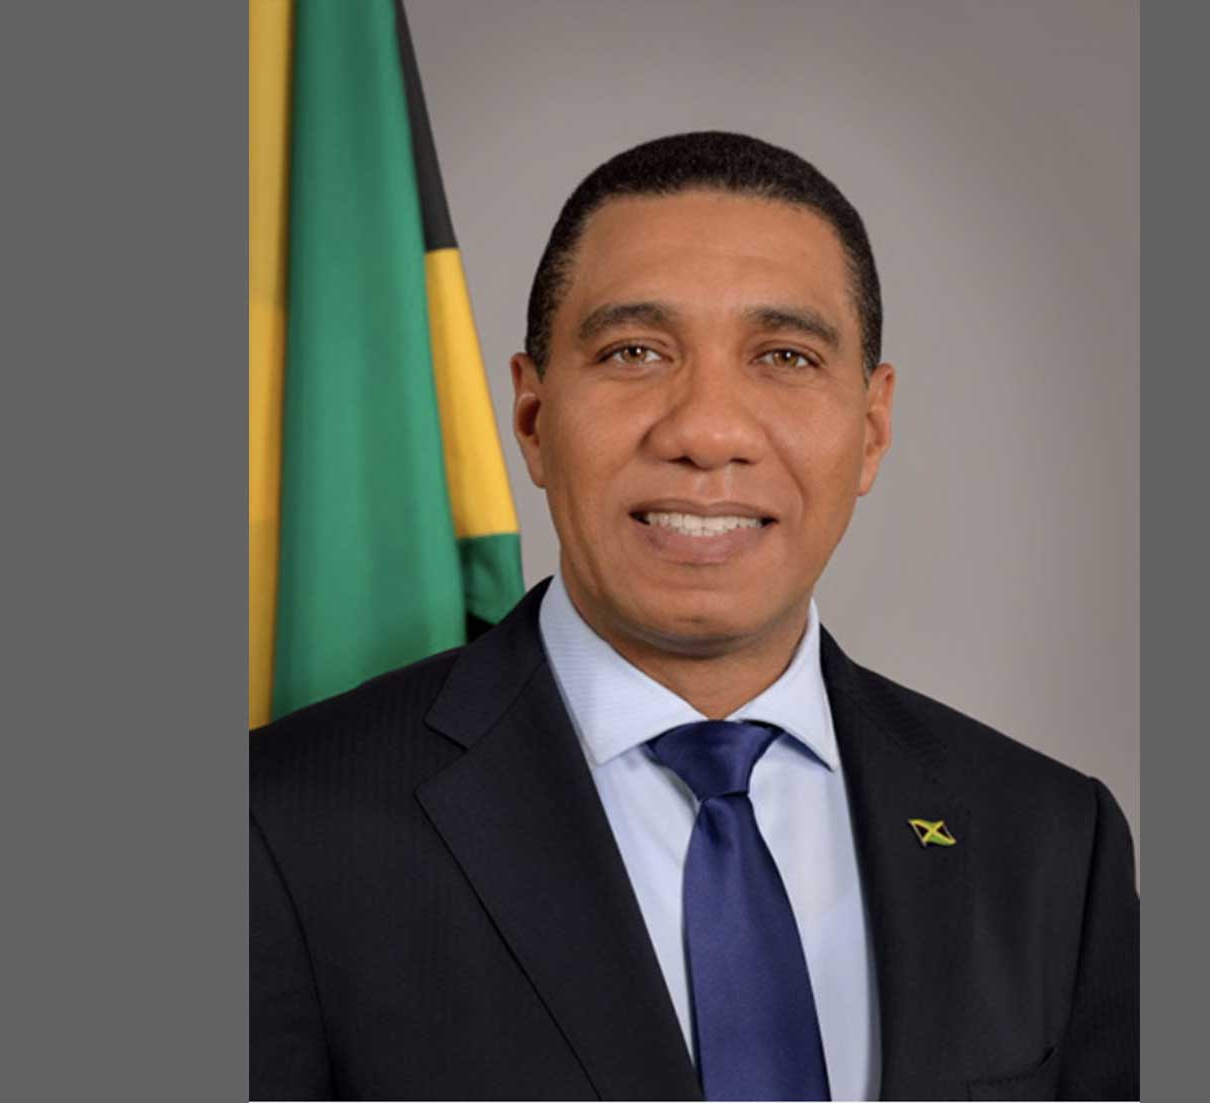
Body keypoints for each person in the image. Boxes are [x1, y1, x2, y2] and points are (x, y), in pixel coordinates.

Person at [251, 131, 1139, 1102]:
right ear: (534, 417)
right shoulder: (279, 828)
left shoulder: (1052, 841)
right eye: (634, 352)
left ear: (872, 427)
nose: (708, 431)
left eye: (785, 356)